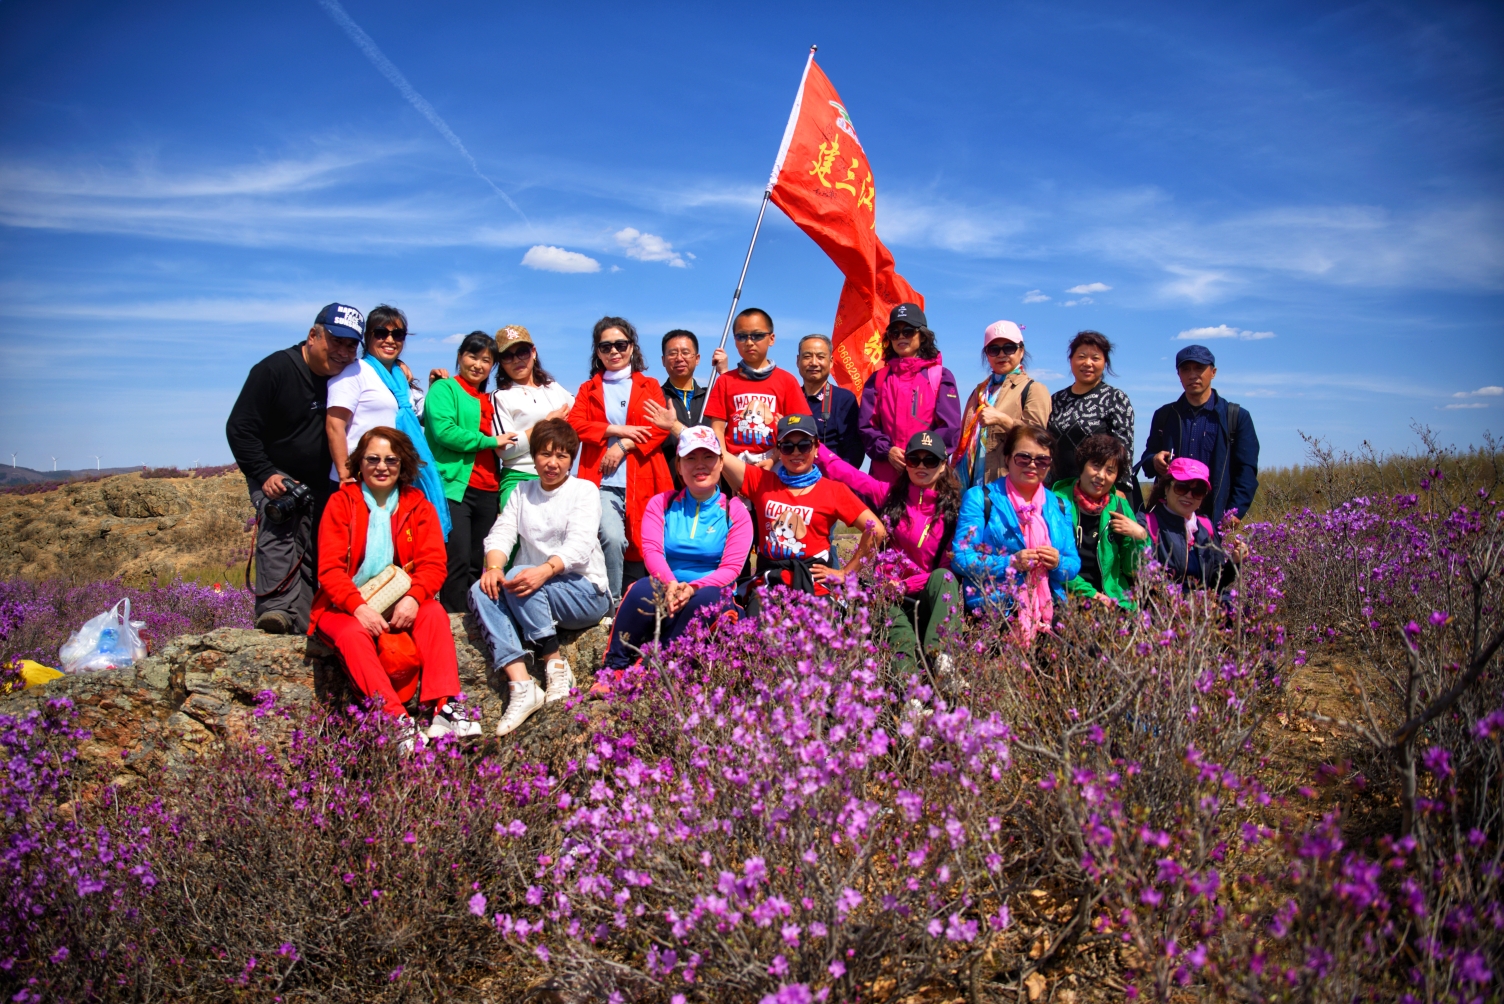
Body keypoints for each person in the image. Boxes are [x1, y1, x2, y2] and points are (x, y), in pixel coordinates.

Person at [308, 427, 476, 751]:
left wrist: (414, 598)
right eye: (373, 459)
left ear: (403, 465)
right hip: (342, 606)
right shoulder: (341, 503)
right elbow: (328, 570)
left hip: (399, 599)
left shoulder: (418, 504)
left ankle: (444, 708)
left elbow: (433, 565)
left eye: (391, 459)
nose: (382, 466)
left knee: (433, 613)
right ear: (360, 462)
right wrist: (358, 608)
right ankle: (396, 722)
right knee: (353, 635)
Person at [648, 404, 885, 609]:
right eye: (787, 446)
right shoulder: (761, 481)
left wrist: (845, 573)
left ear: (815, 448)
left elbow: (877, 530)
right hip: (768, 583)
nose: (795, 453)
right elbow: (716, 452)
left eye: (803, 445)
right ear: (778, 451)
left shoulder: (834, 490)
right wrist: (676, 427)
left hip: (814, 582)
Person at [470, 419, 612, 736]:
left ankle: (554, 663)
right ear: (533, 456)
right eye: (545, 454)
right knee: (480, 590)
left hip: (584, 591)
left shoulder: (584, 490)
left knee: (519, 574)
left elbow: (580, 545)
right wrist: (493, 568)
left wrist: (544, 570)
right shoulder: (522, 491)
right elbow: (501, 534)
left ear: (571, 459)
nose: (552, 463)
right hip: (531, 590)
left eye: (562, 456)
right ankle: (522, 685)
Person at [226, 303, 362, 634]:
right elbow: (240, 428)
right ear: (313, 335)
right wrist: (265, 472)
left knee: (319, 549)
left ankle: (306, 624)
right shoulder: (274, 370)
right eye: (335, 341)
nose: (343, 352)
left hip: (323, 483)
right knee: (280, 528)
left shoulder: (346, 375)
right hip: (276, 477)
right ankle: (274, 613)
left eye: (350, 345)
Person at [599, 425, 754, 688]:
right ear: (679, 466)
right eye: (691, 458)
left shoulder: (735, 511)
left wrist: (692, 588)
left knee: (707, 599)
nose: (700, 465)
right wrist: (672, 585)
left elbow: (732, 568)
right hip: (666, 587)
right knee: (640, 588)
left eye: (708, 457)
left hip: (708, 593)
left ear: (720, 464)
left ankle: (653, 667)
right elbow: (652, 552)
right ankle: (614, 668)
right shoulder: (661, 503)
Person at [817, 429, 962, 674]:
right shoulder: (888, 495)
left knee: (945, 577)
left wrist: (907, 585)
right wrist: (813, 444)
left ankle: (943, 663)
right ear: (906, 464)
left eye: (930, 460)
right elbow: (844, 472)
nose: (921, 466)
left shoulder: (955, 511)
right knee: (899, 635)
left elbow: (948, 568)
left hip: (929, 595)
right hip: (889, 596)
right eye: (914, 460)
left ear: (942, 466)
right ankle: (912, 697)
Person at [569, 316, 676, 604]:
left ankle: (649, 608)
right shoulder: (588, 388)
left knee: (645, 545)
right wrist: (615, 430)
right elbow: (576, 424)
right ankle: (611, 606)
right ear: (597, 351)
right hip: (601, 481)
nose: (614, 351)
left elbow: (659, 427)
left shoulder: (649, 385)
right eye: (606, 347)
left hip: (644, 478)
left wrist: (624, 445)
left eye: (620, 344)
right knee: (612, 538)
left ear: (632, 347)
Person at [325, 304, 452, 531]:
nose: (390, 340)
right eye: (381, 333)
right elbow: (335, 425)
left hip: (392, 476)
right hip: (359, 478)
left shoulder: (399, 378)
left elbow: (417, 415)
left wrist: (434, 388)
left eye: (398, 334)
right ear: (367, 337)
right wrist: (345, 475)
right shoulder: (355, 373)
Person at [952, 425, 1081, 645]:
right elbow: (961, 557)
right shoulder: (980, 498)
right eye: (1023, 458)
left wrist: (1057, 563)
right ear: (1007, 458)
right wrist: (1011, 563)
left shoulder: (1060, 505)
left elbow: (1073, 564)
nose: (1032, 465)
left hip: (1049, 609)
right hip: (995, 609)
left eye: (1042, 460)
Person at [423, 331, 502, 613]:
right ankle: (453, 624)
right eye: (472, 356)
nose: (478, 365)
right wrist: (491, 441)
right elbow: (445, 433)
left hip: (489, 487)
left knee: (475, 561)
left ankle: (472, 619)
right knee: (455, 558)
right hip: (455, 486)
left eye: (486, 360)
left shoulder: (489, 399)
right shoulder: (445, 389)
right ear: (459, 356)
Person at [1139, 344, 1260, 526]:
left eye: (1199, 368)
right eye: (1185, 369)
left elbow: (1247, 471)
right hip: (1169, 519)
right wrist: (1154, 460)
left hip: (1215, 518)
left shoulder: (1235, 417)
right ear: (1178, 375)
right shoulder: (1164, 415)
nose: (1192, 375)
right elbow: (1148, 460)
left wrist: (1235, 512)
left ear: (1213, 372)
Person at [858, 303, 962, 486]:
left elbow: (950, 428)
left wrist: (921, 457)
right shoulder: (878, 379)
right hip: (885, 478)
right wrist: (887, 451)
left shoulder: (940, 376)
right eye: (894, 333)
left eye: (908, 331)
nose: (900, 337)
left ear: (922, 336)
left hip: (927, 476)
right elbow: (866, 427)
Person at [1050, 433, 1149, 608]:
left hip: (1112, 599)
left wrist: (1140, 538)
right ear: (1081, 466)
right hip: (1067, 597)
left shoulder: (1120, 506)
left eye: (1110, 471)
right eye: (1095, 466)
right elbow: (1054, 564)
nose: (1101, 476)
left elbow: (1132, 570)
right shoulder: (1056, 502)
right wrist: (1091, 595)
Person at [702, 307, 812, 462]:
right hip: (734, 461)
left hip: (776, 461)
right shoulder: (725, 381)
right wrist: (725, 462)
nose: (749, 342)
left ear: (771, 339)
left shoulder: (787, 380)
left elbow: (800, 430)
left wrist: (774, 459)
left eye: (757, 336)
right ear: (735, 341)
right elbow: (717, 429)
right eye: (741, 336)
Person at [952, 321, 1052, 491]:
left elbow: (1038, 439)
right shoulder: (979, 391)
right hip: (971, 485)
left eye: (1009, 348)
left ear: (1021, 351)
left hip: (1008, 485)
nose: (1001, 354)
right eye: (994, 350)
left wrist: (1003, 420)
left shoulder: (1034, 389)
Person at [491, 325, 574, 517]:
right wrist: (546, 423)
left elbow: (580, 418)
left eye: (522, 352)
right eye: (507, 356)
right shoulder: (499, 397)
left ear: (533, 352)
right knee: (514, 540)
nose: (517, 360)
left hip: (561, 477)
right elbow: (506, 450)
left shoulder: (554, 389)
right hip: (519, 477)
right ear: (500, 362)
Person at [1142, 457, 1248, 592]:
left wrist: (1234, 562)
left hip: (1201, 610)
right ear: (1166, 488)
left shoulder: (1206, 526)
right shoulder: (1146, 523)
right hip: (1164, 610)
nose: (1188, 495)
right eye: (1181, 488)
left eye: (1197, 491)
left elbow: (1215, 585)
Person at [1046, 331, 1136, 490]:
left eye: (1095, 358)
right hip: (1059, 490)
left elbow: (1124, 451)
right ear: (1071, 360)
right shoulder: (1056, 400)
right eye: (1081, 356)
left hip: (1100, 491)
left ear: (1105, 363)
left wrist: (1120, 489)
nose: (1088, 363)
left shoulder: (1115, 398)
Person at [659, 328, 727, 470]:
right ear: (663, 360)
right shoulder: (655, 397)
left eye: (685, 352)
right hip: (668, 485)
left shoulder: (712, 396)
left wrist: (724, 374)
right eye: (672, 353)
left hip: (709, 482)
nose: (679, 358)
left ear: (697, 359)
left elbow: (739, 413)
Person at [797, 334, 865, 468]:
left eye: (821, 357)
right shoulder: (790, 397)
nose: (814, 362)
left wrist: (837, 483)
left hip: (832, 482)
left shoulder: (844, 399)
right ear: (798, 361)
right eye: (807, 356)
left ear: (831, 361)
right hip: (794, 481)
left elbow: (854, 451)